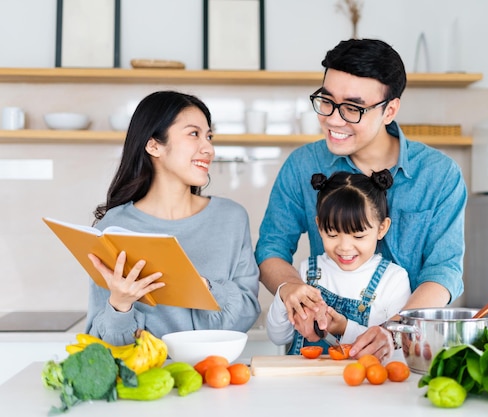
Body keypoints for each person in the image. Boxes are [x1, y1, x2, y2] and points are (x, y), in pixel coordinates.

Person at [255, 38, 466, 361]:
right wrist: (289, 290)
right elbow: (271, 248)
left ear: (390, 110)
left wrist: (394, 328)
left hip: (409, 352)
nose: (333, 120)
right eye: (326, 101)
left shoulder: (438, 175)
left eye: (353, 109)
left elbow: (444, 270)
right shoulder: (302, 166)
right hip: (322, 360)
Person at [85, 90, 261, 346]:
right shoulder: (115, 228)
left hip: (216, 375)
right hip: (145, 379)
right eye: (194, 134)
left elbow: (247, 311)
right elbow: (102, 341)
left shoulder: (231, 218)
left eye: (209, 136)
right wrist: (120, 305)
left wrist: (204, 288)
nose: (209, 148)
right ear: (153, 145)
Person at [265, 170, 411, 354]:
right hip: (305, 380)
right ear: (319, 226)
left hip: (363, 380)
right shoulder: (307, 272)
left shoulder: (393, 280)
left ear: (382, 228)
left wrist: (344, 328)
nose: (344, 247)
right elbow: (278, 337)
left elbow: (395, 351)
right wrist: (284, 293)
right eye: (332, 234)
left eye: (358, 236)